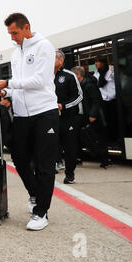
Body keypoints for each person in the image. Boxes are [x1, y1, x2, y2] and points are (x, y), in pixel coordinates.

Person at [0, 13, 58, 231]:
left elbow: (40, 81)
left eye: (15, 33)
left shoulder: (44, 46)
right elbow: (20, 84)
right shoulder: (15, 54)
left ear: (26, 27)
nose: (12, 37)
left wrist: (9, 82)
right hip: (21, 115)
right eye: (9, 33)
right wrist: (6, 91)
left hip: (44, 112)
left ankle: (41, 213)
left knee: (44, 164)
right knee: (19, 158)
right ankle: (36, 195)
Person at [54, 50, 83, 184]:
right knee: (50, 145)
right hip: (51, 118)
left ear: (61, 60)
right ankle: (53, 167)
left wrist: (63, 106)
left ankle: (70, 174)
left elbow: (79, 96)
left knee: (70, 147)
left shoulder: (69, 76)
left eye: (52, 58)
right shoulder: (45, 76)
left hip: (69, 118)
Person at [72, 66, 110, 168]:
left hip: (92, 116)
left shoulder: (89, 85)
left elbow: (96, 100)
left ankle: (104, 159)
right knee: (82, 136)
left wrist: (92, 114)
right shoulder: (81, 85)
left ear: (78, 75)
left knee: (97, 137)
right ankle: (79, 157)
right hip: (84, 115)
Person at [93, 56, 118, 143]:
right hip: (104, 100)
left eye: (98, 62)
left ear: (103, 62)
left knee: (115, 120)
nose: (96, 64)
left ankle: (117, 137)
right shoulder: (96, 73)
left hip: (114, 99)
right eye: (95, 62)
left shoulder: (113, 70)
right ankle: (110, 139)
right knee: (106, 120)